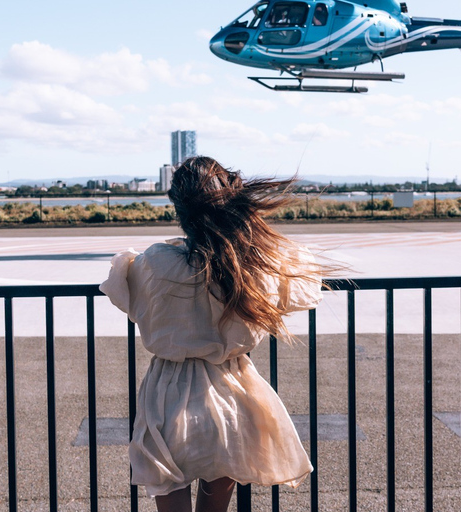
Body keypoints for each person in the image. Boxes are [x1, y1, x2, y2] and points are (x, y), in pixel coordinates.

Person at [100, 156, 324, 512]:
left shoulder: (153, 263)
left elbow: (122, 293)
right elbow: (306, 283)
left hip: (168, 393)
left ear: (178, 207)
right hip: (233, 391)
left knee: (165, 480)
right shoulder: (248, 262)